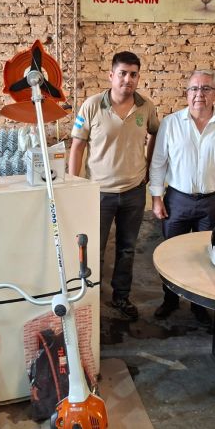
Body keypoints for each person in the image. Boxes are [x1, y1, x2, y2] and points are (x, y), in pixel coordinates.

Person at [68, 51, 159, 322]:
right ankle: (90, 299)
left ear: (138, 77)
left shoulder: (146, 107)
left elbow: (155, 133)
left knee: (127, 248)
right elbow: (77, 146)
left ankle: (121, 296)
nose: (127, 79)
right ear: (111, 75)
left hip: (133, 191)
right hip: (100, 193)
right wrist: (73, 185)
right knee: (94, 249)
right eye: (122, 73)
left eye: (133, 74)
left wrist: (149, 167)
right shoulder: (92, 105)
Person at [149, 69, 215, 320]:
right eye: (194, 88)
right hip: (177, 200)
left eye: (205, 89)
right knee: (171, 253)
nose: (199, 94)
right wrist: (156, 197)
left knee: (206, 254)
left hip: (213, 201)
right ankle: (170, 299)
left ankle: (199, 305)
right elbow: (158, 163)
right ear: (186, 93)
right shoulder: (171, 123)